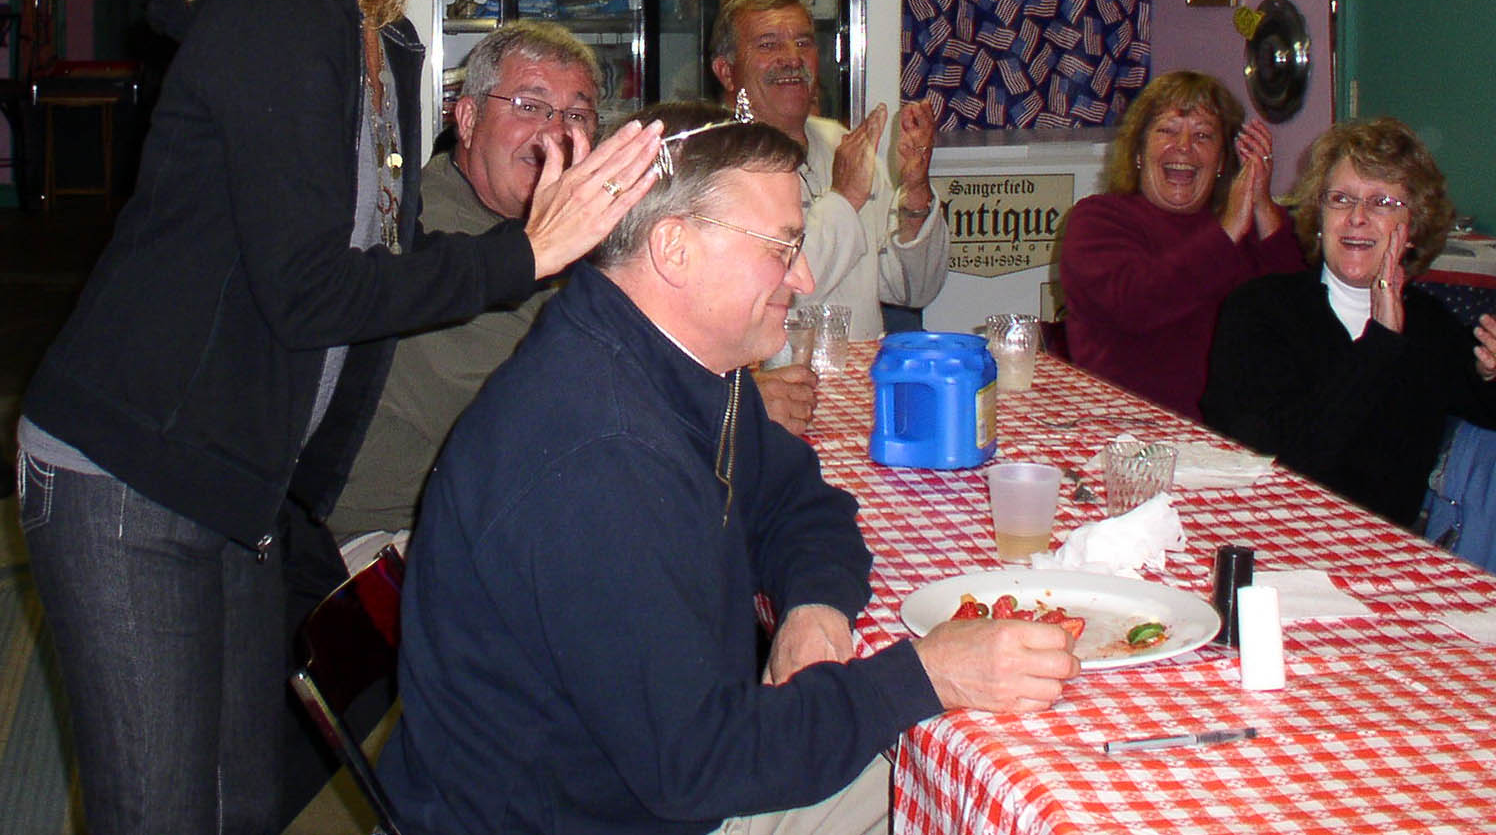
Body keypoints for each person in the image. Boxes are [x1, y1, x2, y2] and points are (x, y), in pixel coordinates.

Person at [14, 0, 661, 835]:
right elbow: (312, 288)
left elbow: (374, 264)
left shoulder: (376, 28)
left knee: (241, 802)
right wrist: (525, 253)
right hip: (126, 472)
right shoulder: (281, 8)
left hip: (230, 479)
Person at [380, 102, 1080, 835]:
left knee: (980, 769)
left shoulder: (674, 365)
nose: (805, 277)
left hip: (656, 778)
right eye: (783, 247)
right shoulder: (597, 456)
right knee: (992, 793)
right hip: (606, 813)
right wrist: (929, 673)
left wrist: (814, 605)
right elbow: (698, 767)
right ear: (673, 248)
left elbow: (799, 501)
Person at [331, 23, 816, 549]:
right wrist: (728, 409)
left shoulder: (579, 233)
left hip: (546, 498)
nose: (553, 133)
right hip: (402, 539)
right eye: (527, 106)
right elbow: (546, 421)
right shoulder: (424, 235)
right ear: (467, 119)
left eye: (577, 115)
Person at [1201, 117, 1496, 530]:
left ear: (1413, 227)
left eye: (1382, 202)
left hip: (1385, 562)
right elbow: (1280, 470)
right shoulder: (1259, 309)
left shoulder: (1430, 327)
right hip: (1266, 537)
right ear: (1319, 214)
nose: (1357, 217)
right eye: (1340, 199)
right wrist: (1379, 344)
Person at [709, 0, 948, 342]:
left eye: (803, 42)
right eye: (768, 44)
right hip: (772, 383)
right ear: (727, 72)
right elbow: (779, 293)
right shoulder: (712, 161)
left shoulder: (840, 143)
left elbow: (913, 290)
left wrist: (915, 193)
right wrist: (844, 199)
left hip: (858, 381)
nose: (791, 58)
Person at [1058, 70, 1304, 418]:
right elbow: (1137, 303)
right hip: (1131, 432)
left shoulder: (1248, 228)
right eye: (1167, 131)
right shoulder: (1098, 219)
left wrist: (1261, 202)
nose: (1184, 147)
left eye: (1203, 135)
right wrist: (1229, 229)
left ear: (1221, 162)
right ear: (1139, 151)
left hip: (1238, 437)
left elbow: (1298, 315)